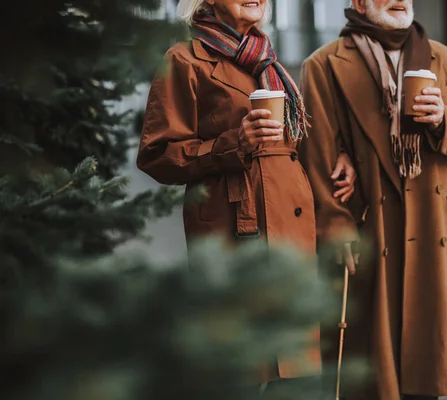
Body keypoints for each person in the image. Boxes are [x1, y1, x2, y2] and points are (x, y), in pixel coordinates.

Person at [136, 0, 355, 396]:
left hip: (293, 231)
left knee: (293, 371)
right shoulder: (185, 60)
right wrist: (233, 142)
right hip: (234, 231)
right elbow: (157, 154)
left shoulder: (270, 63)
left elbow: (295, 146)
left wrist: (338, 162)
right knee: (239, 371)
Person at [299, 0, 447, 399]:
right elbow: (317, 156)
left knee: (428, 365)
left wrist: (443, 119)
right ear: (358, 3)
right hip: (371, 228)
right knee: (374, 374)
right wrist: (335, 224)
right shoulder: (324, 65)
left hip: (433, 224)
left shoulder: (444, 58)